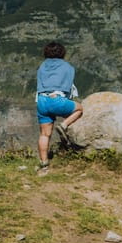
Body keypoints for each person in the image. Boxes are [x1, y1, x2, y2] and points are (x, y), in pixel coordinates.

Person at [35, 41, 83, 174]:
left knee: (44, 134)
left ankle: (44, 163)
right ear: (62, 52)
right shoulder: (67, 67)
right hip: (57, 99)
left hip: (42, 101)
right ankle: (64, 125)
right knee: (79, 108)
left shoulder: (42, 66)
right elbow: (67, 88)